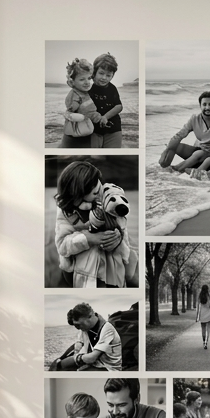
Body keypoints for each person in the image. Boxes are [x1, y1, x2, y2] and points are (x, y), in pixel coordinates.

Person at [52, 160, 125, 288]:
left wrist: (117, 236)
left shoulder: (102, 194)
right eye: (91, 188)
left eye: (97, 182)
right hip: (77, 271)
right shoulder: (66, 213)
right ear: (77, 193)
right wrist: (88, 238)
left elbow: (120, 217)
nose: (97, 188)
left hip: (106, 266)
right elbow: (62, 246)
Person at [48, 302, 123, 371]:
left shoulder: (107, 329)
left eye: (78, 325)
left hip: (108, 367)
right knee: (59, 366)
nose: (77, 328)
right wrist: (61, 359)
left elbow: (91, 358)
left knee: (71, 371)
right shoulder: (86, 327)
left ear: (90, 316)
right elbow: (79, 343)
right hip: (96, 363)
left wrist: (75, 358)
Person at [159, 91, 210, 169]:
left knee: (198, 153)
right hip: (197, 150)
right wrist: (167, 149)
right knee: (174, 146)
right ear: (200, 106)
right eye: (204, 104)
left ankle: (176, 169)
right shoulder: (194, 119)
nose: (207, 108)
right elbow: (179, 135)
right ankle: (165, 167)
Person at [60, 57, 100, 149]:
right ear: (71, 82)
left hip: (86, 132)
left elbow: (88, 110)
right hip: (76, 133)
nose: (87, 82)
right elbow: (70, 113)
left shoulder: (85, 93)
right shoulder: (74, 95)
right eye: (82, 79)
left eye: (89, 78)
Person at [88, 52, 124, 149]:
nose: (104, 78)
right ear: (94, 72)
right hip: (92, 129)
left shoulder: (112, 88)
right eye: (101, 73)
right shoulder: (87, 87)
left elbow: (119, 106)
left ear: (112, 76)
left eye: (108, 75)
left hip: (113, 128)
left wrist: (105, 117)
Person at [194, 284, 210, 350]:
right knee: (208, 329)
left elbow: (198, 307)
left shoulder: (200, 296)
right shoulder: (208, 295)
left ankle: (203, 342)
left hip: (202, 313)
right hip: (208, 313)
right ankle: (207, 342)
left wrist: (197, 317)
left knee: (203, 329)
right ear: (207, 289)